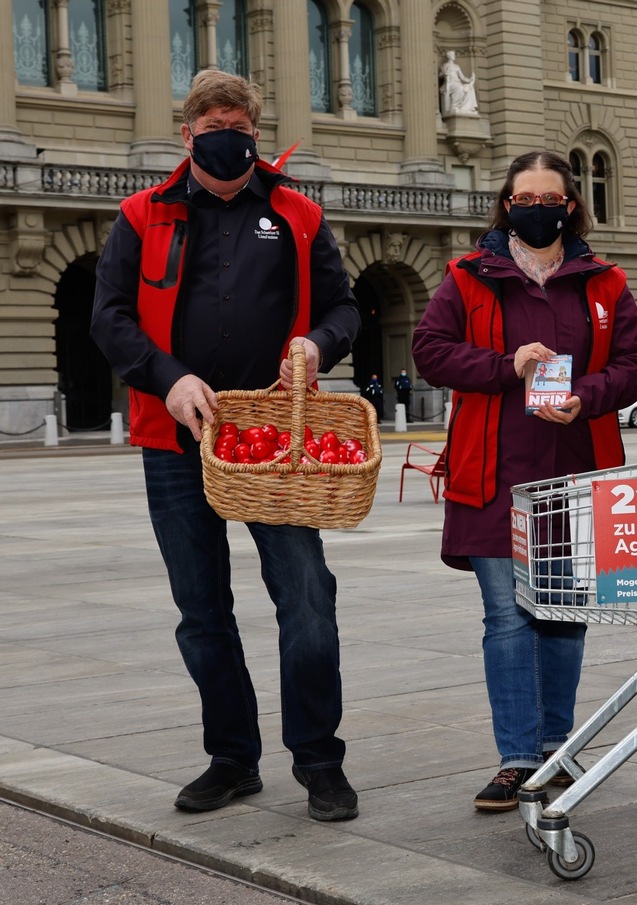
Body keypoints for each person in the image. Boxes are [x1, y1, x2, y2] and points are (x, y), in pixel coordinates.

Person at [90, 70, 362, 822]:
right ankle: (232, 757)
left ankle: (319, 760)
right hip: (176, 435)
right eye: (212, 121)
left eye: (239, 121)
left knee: (307, 596)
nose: (227, 132)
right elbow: (110, 318)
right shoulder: (141, 215)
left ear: (254, 130)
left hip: (274, 437)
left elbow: (345, 308)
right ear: (187, 134)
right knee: (201, 609)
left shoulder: (298, 213)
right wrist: (168, 379)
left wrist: (316, 342)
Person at [412, 150, 637, 811]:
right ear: (507, 205)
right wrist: (504, 364)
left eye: (551, 197)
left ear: (570, 206)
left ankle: (556, 748)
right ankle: (517, 757)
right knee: (509, 619)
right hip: (492, 474)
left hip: (574, 473)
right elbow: (429, 350)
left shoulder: (604, 281)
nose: (538, 207)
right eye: (525, 197)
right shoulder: (468, 276)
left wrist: (591, 391)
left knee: (563, 616)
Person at [440, 50, 478, 116]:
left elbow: (462, 77)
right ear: (449, 56)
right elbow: (440, 75)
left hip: (457, 83)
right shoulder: (445, 65)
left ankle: (466, 108)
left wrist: (470, 80)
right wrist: (445, 74)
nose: (454, 56)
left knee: (468, 87)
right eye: (453, 55)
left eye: (454, 54)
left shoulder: (457, 66)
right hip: (450, 84)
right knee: (459, 88)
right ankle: (454, 106)